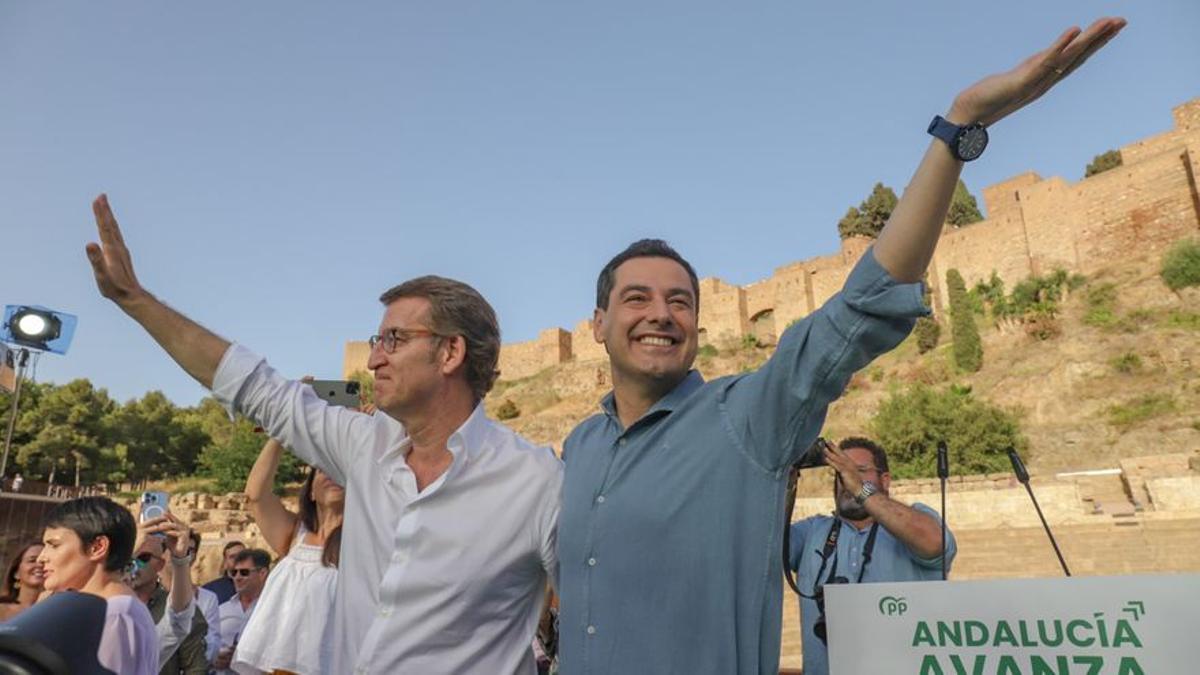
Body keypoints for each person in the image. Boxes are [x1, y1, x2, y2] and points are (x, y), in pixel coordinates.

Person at [555, 18, 1125, 674]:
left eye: (679, 301)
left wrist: (957, 130)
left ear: (696, 326)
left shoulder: (743, 417)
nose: (661, 314)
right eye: (637, 298)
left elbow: (863, 306)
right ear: (596, 323)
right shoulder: (579, 448)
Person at [85, 214, 562, 674]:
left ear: (451, 352)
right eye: (377, 340)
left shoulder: (537, 483)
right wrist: (136, 301)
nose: (374, 359)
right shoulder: (362, 444)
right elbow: (251, 385)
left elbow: (597, 618)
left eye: (394, 340)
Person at [789, 437, 956, 675]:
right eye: (841, 471)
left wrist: (861, 489)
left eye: (860, 470)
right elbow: (756, 550)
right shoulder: (812, 531)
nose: (848, 479)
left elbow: (934, 542)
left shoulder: (915, 519)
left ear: (884, 480)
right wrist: (778, 484)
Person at [232, 436, 345, 674]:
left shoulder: (365, 542)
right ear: (311, 492)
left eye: (342, 470)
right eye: (325, 469)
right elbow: (256, 494)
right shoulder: (295, 535)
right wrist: (281, 431)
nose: (333, 476)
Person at [37, 496, 159, 675]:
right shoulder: (105, 610)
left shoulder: (112, 616)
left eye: (54, 545)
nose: (42, 558)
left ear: (97, 548)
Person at [213, 548, 270, 674]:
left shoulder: (275, 611)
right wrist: (214, 658)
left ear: (262, 573)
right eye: (234, 572)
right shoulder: (221, 610)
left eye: (244, 572)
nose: (237, 577)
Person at [0, 541, 44, 621]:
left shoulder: (63, 611)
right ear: (16, 573)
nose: (40, 565)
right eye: (32, 560)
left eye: (44, 562)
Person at [202, 540, 245, 605]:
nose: (238, 559)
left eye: (242, 555)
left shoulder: (259, 587)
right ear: (225, 563)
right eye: (232, 557)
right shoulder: (209, 591)